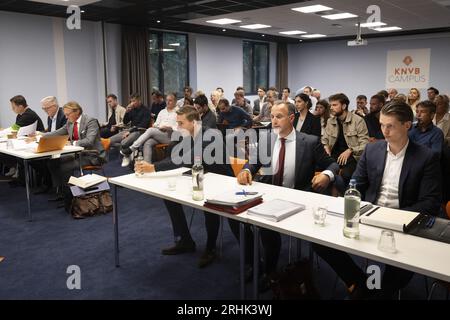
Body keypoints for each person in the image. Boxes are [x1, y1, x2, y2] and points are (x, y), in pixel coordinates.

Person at [313, 101, 442, 299]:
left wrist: (389, 216)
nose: (384, 131)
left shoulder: (426, 157)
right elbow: (356, 183)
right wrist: (354, 199)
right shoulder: (373, 150)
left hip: (403, 223)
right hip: (370, 215)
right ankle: (359, 283)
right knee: (319, 241)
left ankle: (374, 292)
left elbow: (430, 203)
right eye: (382, 124)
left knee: (399, 268)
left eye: (390, 126)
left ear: (407, 125)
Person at [233, 101, 339, 290]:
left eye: (279, 116)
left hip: (297, 199)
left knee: (268, 229)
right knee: (235, 218)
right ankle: (257, 264)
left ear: (291, 118)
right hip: (269, 196)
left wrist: (326, 175)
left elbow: (332, 164)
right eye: (272, 116)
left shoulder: (309, 142)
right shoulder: (266, 139)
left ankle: (269, 270)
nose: (273, 121)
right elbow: (253, 163)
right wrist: (246, 170)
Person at [134, 106, 232, 268]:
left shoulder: (211, 135)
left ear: (193, 122)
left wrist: (153, 167)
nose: (178, 127)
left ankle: (211, 247)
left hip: (221, 180)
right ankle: (185, 240)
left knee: (208, 204)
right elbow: (175, 156)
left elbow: (187, 158)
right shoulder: (187, 134)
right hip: (200, 175)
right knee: (169, 196)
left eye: (181, 123)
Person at [46, 101, 106, 199]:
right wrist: (41, 136)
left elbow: (89, 141)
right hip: (78, 154)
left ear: (77, 112)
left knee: (64, 167)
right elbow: (58, 132)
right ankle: (61, 190)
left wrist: (72, 143)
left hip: (92, 155)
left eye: (67, 114)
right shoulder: (70, 122)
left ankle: (69, 195)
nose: (66, 117)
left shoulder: (91, 121)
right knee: (52, 163)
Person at [322, 93, 369, 185]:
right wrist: (326, 147)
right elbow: (325, 140)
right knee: (317, 169)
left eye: (334, 105)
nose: (331, 108)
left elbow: (365, 144)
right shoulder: (330, 121)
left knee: (346, 175)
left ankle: (342, 195)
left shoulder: (358, 120)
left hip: (352, 157)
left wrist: (350, 150)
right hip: (333, 155)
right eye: (330, 105)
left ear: (344, 106)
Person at [120, 93, 178, 165]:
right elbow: (156, 123)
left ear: (175, 101)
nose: (168, 102)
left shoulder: (179, 112)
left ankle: (132, 148)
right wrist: (156, 126)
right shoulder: (162, 111)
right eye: (167, 100)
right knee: (148, 142)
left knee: (150, 130)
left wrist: (169, 128)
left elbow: (180, 128)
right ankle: (147, 166)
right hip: (159, 133)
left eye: (170, 100)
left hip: (171, 135)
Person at [109, 93, 152, 157]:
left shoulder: (146, 110)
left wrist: (130, 131)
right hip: (130, 130)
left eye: (134, 101)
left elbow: (143, 125)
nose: (132, 103)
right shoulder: (132, 110)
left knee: (124, 143)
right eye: (131, 101)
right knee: (109, 141)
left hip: (140, 131)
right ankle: (127, 152)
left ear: (139, 101)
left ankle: (127, 153)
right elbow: (125, 122)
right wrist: (126, 112)